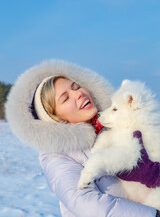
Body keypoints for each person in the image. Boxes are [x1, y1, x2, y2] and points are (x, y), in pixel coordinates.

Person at [5, 59, 160, 217]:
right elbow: (83, 201)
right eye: (65, 98)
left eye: (76, 86)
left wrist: (153, 174)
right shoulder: (56, 155)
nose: (78, 94)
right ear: (56, 118)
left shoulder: (119, 124)